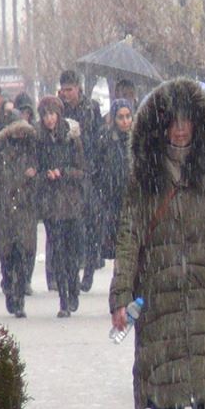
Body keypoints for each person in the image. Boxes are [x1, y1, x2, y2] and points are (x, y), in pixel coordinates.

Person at [109, 78, 205, 409]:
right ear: (160, 125)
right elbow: (129, 238)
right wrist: (121, 297)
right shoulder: (144, 178)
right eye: (173, 121)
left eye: (187, 121)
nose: (180, 129)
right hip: (160, 309)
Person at [0, 119, 38, 318]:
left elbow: (39, 184)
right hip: (4, 212)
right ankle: (8, 286)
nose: (20, 139)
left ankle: (20, 298)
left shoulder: (33, 151)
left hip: (25, 212)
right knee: (6, 256)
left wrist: (34, 176)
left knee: (23, 256)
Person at [36, 96, 85, 317]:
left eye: (52, 113)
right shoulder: (38, 139)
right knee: (58, 251)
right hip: (51, 203)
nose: (49, 119)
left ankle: (73, 288)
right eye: (45, 114)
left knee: (72, 251)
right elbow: (34, 170)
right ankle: (63, 299)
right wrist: (44, 175)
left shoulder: (72, 137)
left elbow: (82, 170)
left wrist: (63, 172)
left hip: (71, 202)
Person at [58, 70, 104, 292]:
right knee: (73, 226)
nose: (67, 94)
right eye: (64, 90)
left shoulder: (91, 108)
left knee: (91, 224)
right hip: (69, 174)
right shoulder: (59, 110)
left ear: (78, 88)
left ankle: (89, 270)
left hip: (90, 173)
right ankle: (73, 269)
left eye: (70, 89)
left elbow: (96, 139)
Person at [97, 98, 134, 260]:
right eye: (121, 117)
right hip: (113, 201)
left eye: (128, 116)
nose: (125, 121)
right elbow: (97, 170)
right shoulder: (106, 140)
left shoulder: (138, 140)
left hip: (133, 201)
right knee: (119, 250)